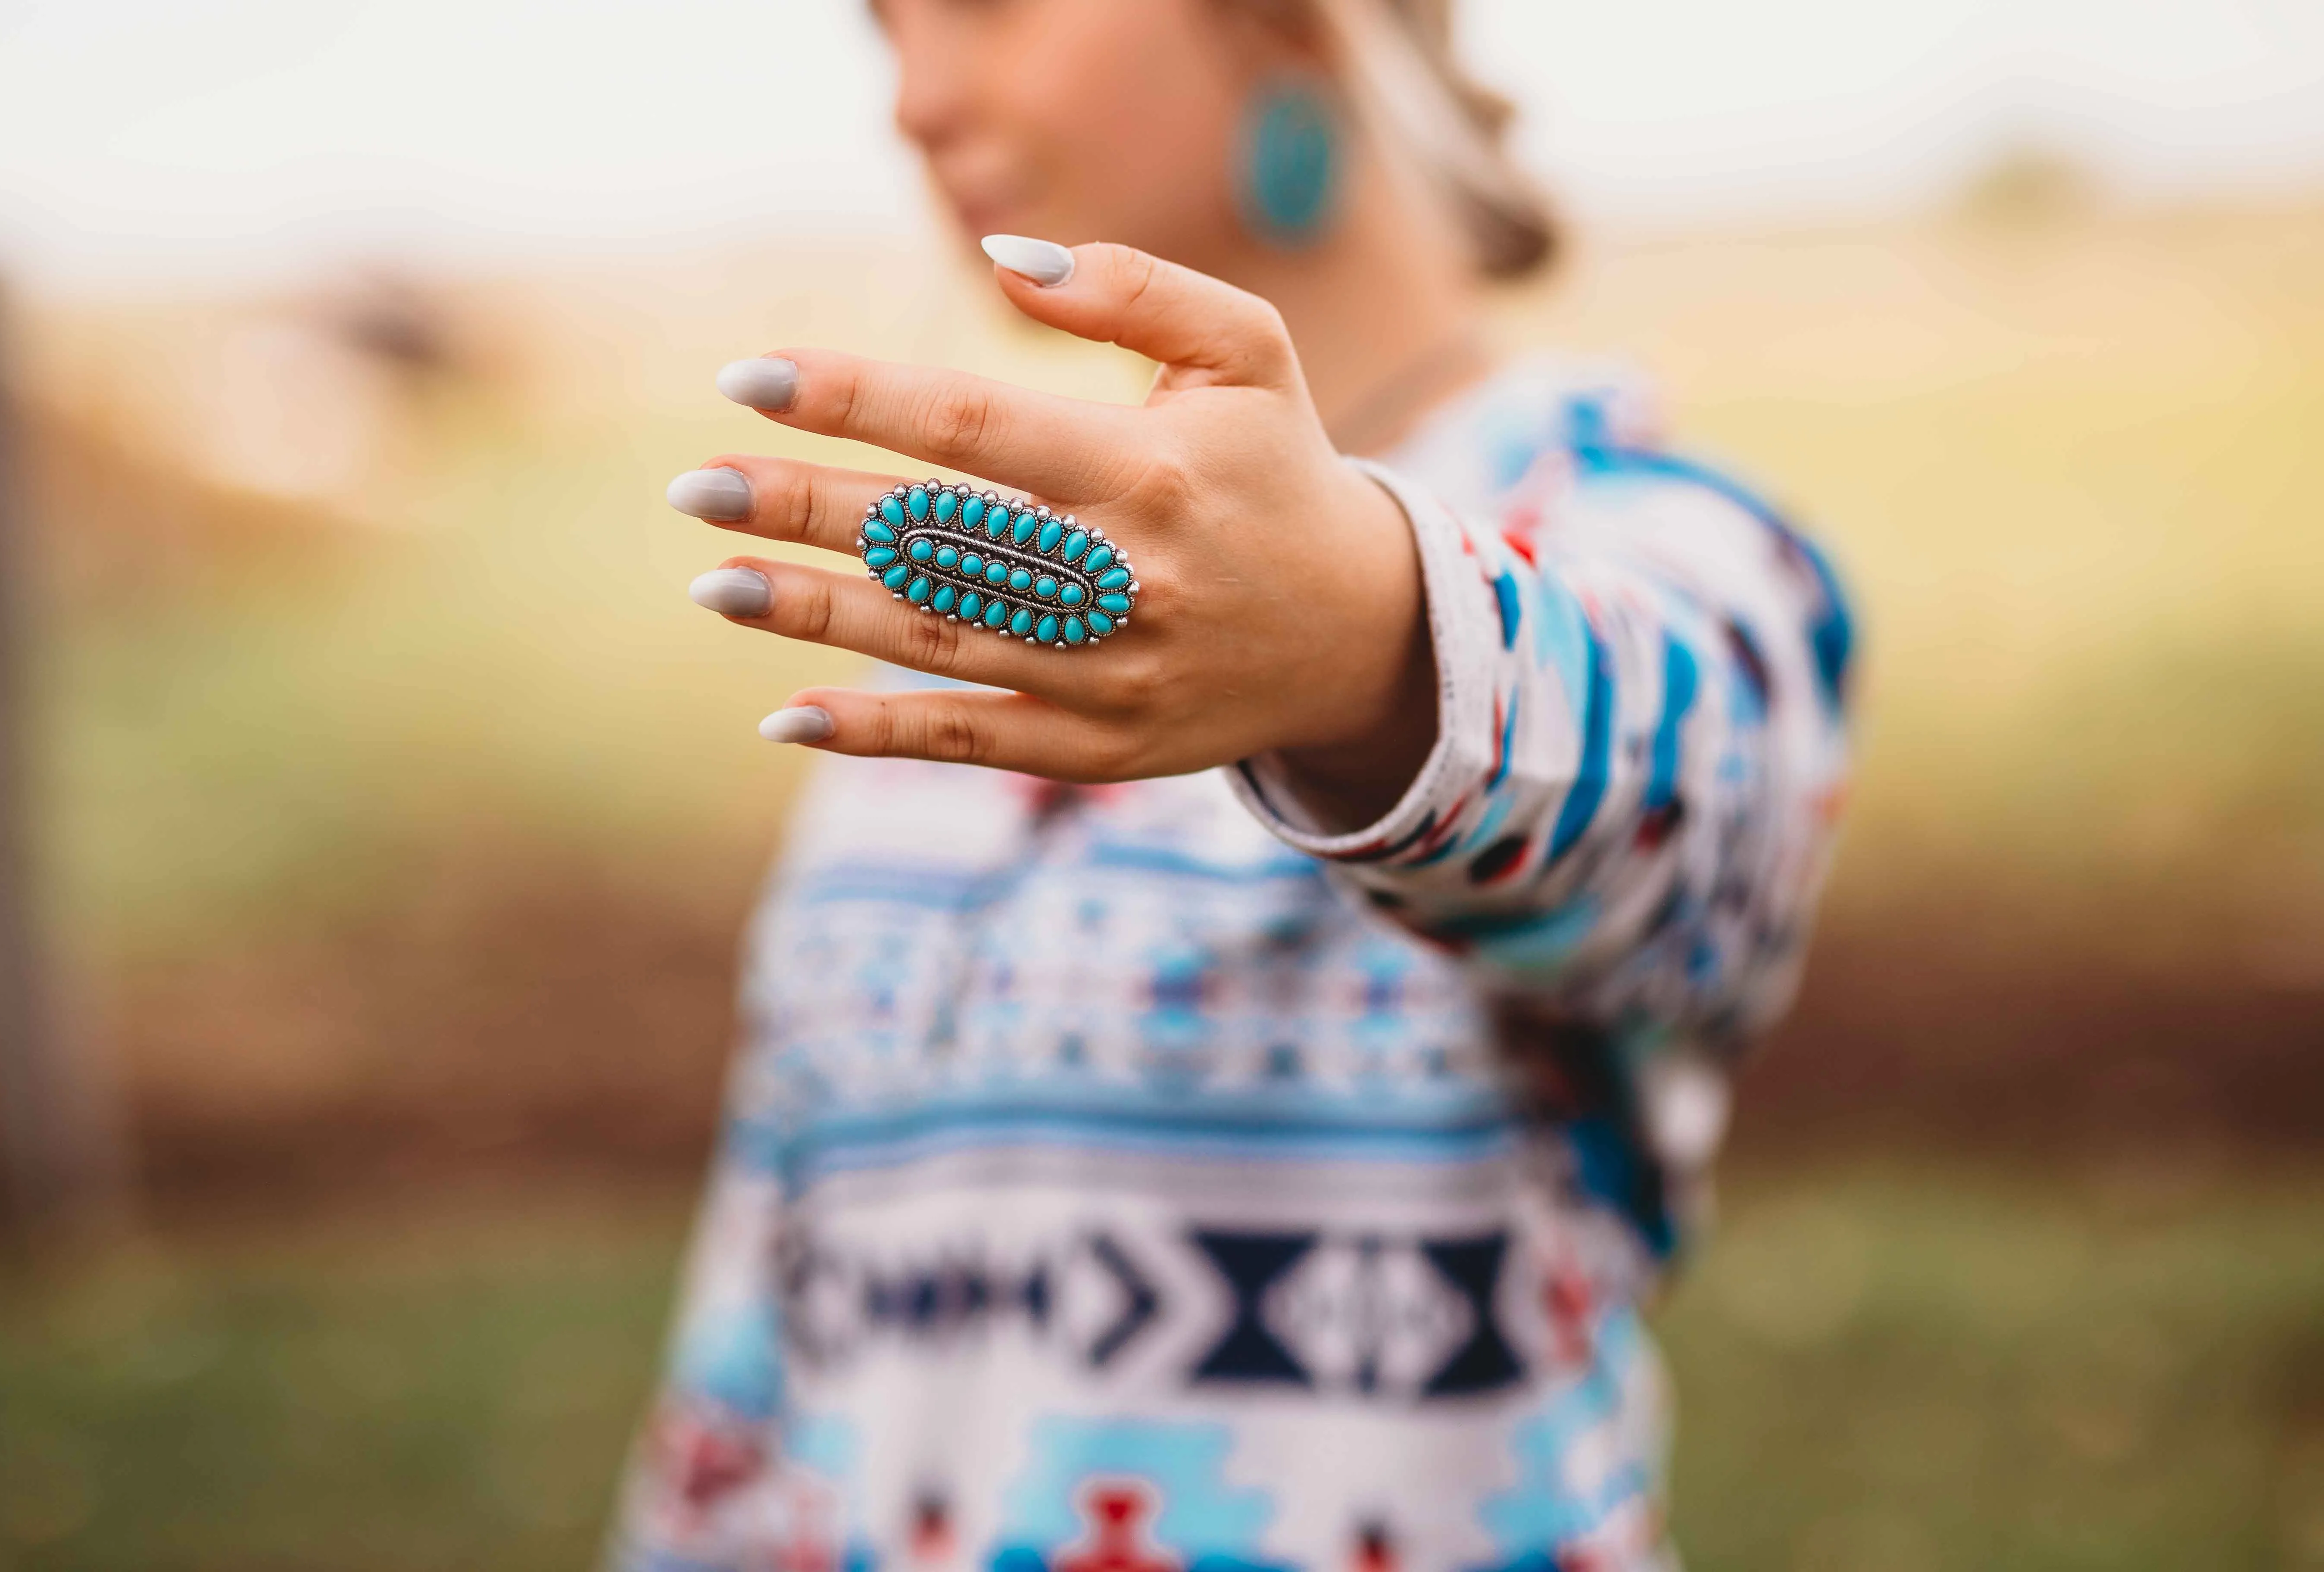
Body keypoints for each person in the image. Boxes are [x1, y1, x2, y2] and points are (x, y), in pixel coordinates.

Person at [616, 0, 1853, 1566]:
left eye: (985, 10)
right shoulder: (943, 639)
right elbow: (759, 1336)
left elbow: (1679, 808)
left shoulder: (1653, 538)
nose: (917, 99)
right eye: (883, 30)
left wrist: (1373, 653)